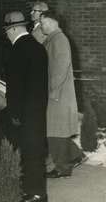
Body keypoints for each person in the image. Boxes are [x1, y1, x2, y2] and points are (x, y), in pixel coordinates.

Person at [2, 11, 48, 202]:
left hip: (24, 112)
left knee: (27, 152)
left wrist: (14, 112)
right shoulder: (38, 47)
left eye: (6, 31)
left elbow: (15, 87)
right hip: (38, 109)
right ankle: (38, 192)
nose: (6, 35)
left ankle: (33, 193)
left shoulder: (17, 50)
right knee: (35, 151)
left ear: (13, 29)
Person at [40, 10, 83, 178]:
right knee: (58, 130)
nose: (41, 25)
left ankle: (62, 168)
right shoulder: (54, 39)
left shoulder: (59, 40)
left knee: (55, 132)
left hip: (57, 94)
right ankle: (75, 154)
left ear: (50, 22)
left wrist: (53, 92)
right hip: (57, 93)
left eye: (43, 22)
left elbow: (61, 67)